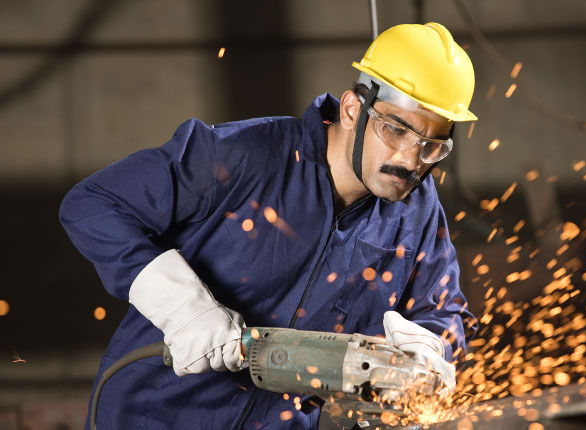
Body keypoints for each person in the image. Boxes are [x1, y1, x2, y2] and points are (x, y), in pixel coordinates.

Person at [60, 22, 478, 429]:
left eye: (432, 145)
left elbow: (442, 311)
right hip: (153, 417)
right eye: (395, 129)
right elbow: (93, 204)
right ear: (354, 110)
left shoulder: (417, 211)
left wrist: (430, 346)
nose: (410, 160)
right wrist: (181, 308)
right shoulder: (244, 155)